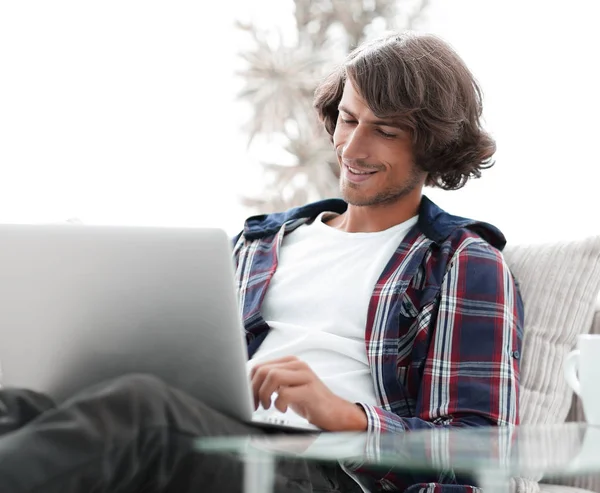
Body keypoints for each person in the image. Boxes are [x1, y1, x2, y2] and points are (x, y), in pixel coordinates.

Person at [0, 31, 523, 493]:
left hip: (328, 475)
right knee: (16, 404)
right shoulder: (261, 243)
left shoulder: (462, 262)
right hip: (220, 439)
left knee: (143, 412)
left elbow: (481, 451)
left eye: (385, 131)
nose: (353, 147)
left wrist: (345, 417)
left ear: (434, 145)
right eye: (347, 119)